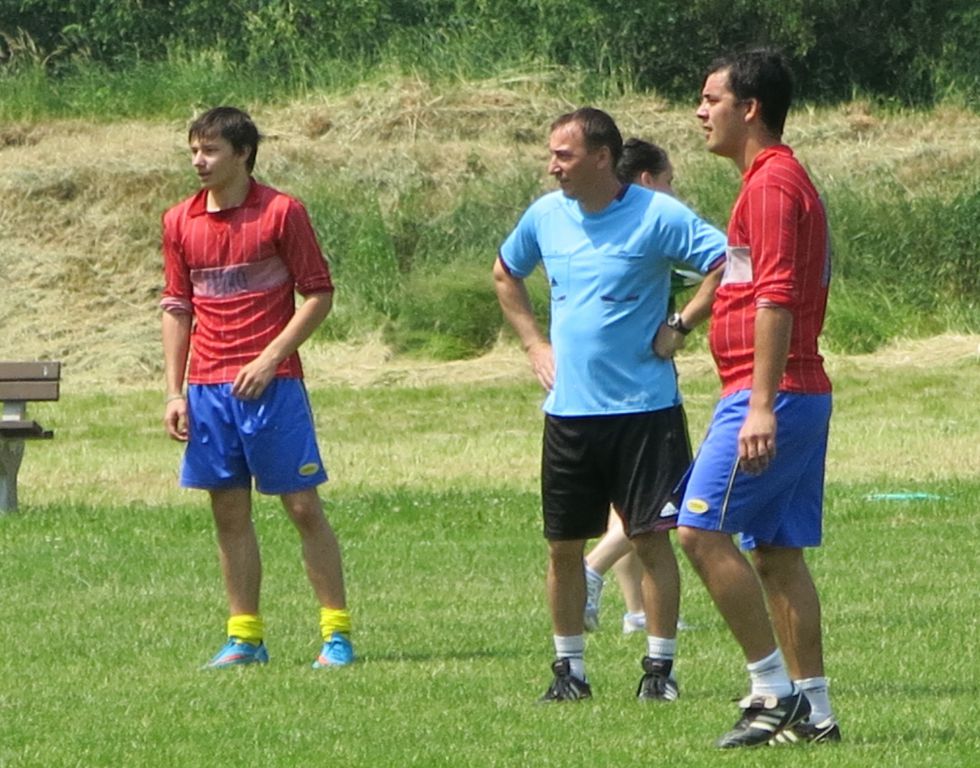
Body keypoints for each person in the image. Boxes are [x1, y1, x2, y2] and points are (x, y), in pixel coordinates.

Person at [493, 107, 726, 702]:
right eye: (551, 154)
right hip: (570, 415)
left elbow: (730, 262)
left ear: (601, 158)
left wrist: (681, 323)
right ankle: (569, 672)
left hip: (645, 411)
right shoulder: (545, 216)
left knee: (650, 539)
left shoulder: (657, 214)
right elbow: (504, 273)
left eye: (563, 155)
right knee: (562, 547)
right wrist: (534, 344)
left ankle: (659, 672)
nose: (553, 166)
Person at [676, 49, 840, 747]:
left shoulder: (772, 185)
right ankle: (817, 714)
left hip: (770, 391)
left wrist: (761, 404)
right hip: (791, 389)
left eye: (711, 99)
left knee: (698, 529)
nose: (700, 112)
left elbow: (776, 298)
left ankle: (772, 691)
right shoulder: (769, 182)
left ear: (750, 108)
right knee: (777, 554)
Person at [161, 106, 354, 670]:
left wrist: (271, 358)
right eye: (194, 151)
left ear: (243, 154)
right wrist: (175, 391)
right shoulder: (179, 221)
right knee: (228, 513)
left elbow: (318, 294)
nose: (199, 161)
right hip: (208, 388)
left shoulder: (282, 212)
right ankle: (245, 638)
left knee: (302, 507)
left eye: (210, 150)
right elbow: (177, 306)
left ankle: (336, 636)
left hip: (273, 386)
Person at [583, 138, 707, 635]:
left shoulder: (597, 226)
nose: (674, 193)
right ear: (647, 181)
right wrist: (681, 322)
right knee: (654, 505)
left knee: (626, 503)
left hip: (597, 387)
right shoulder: (654, 229)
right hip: (642, 390)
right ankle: (591, 569)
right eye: (669, 181)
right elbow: (716, 266)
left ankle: (637, 611)